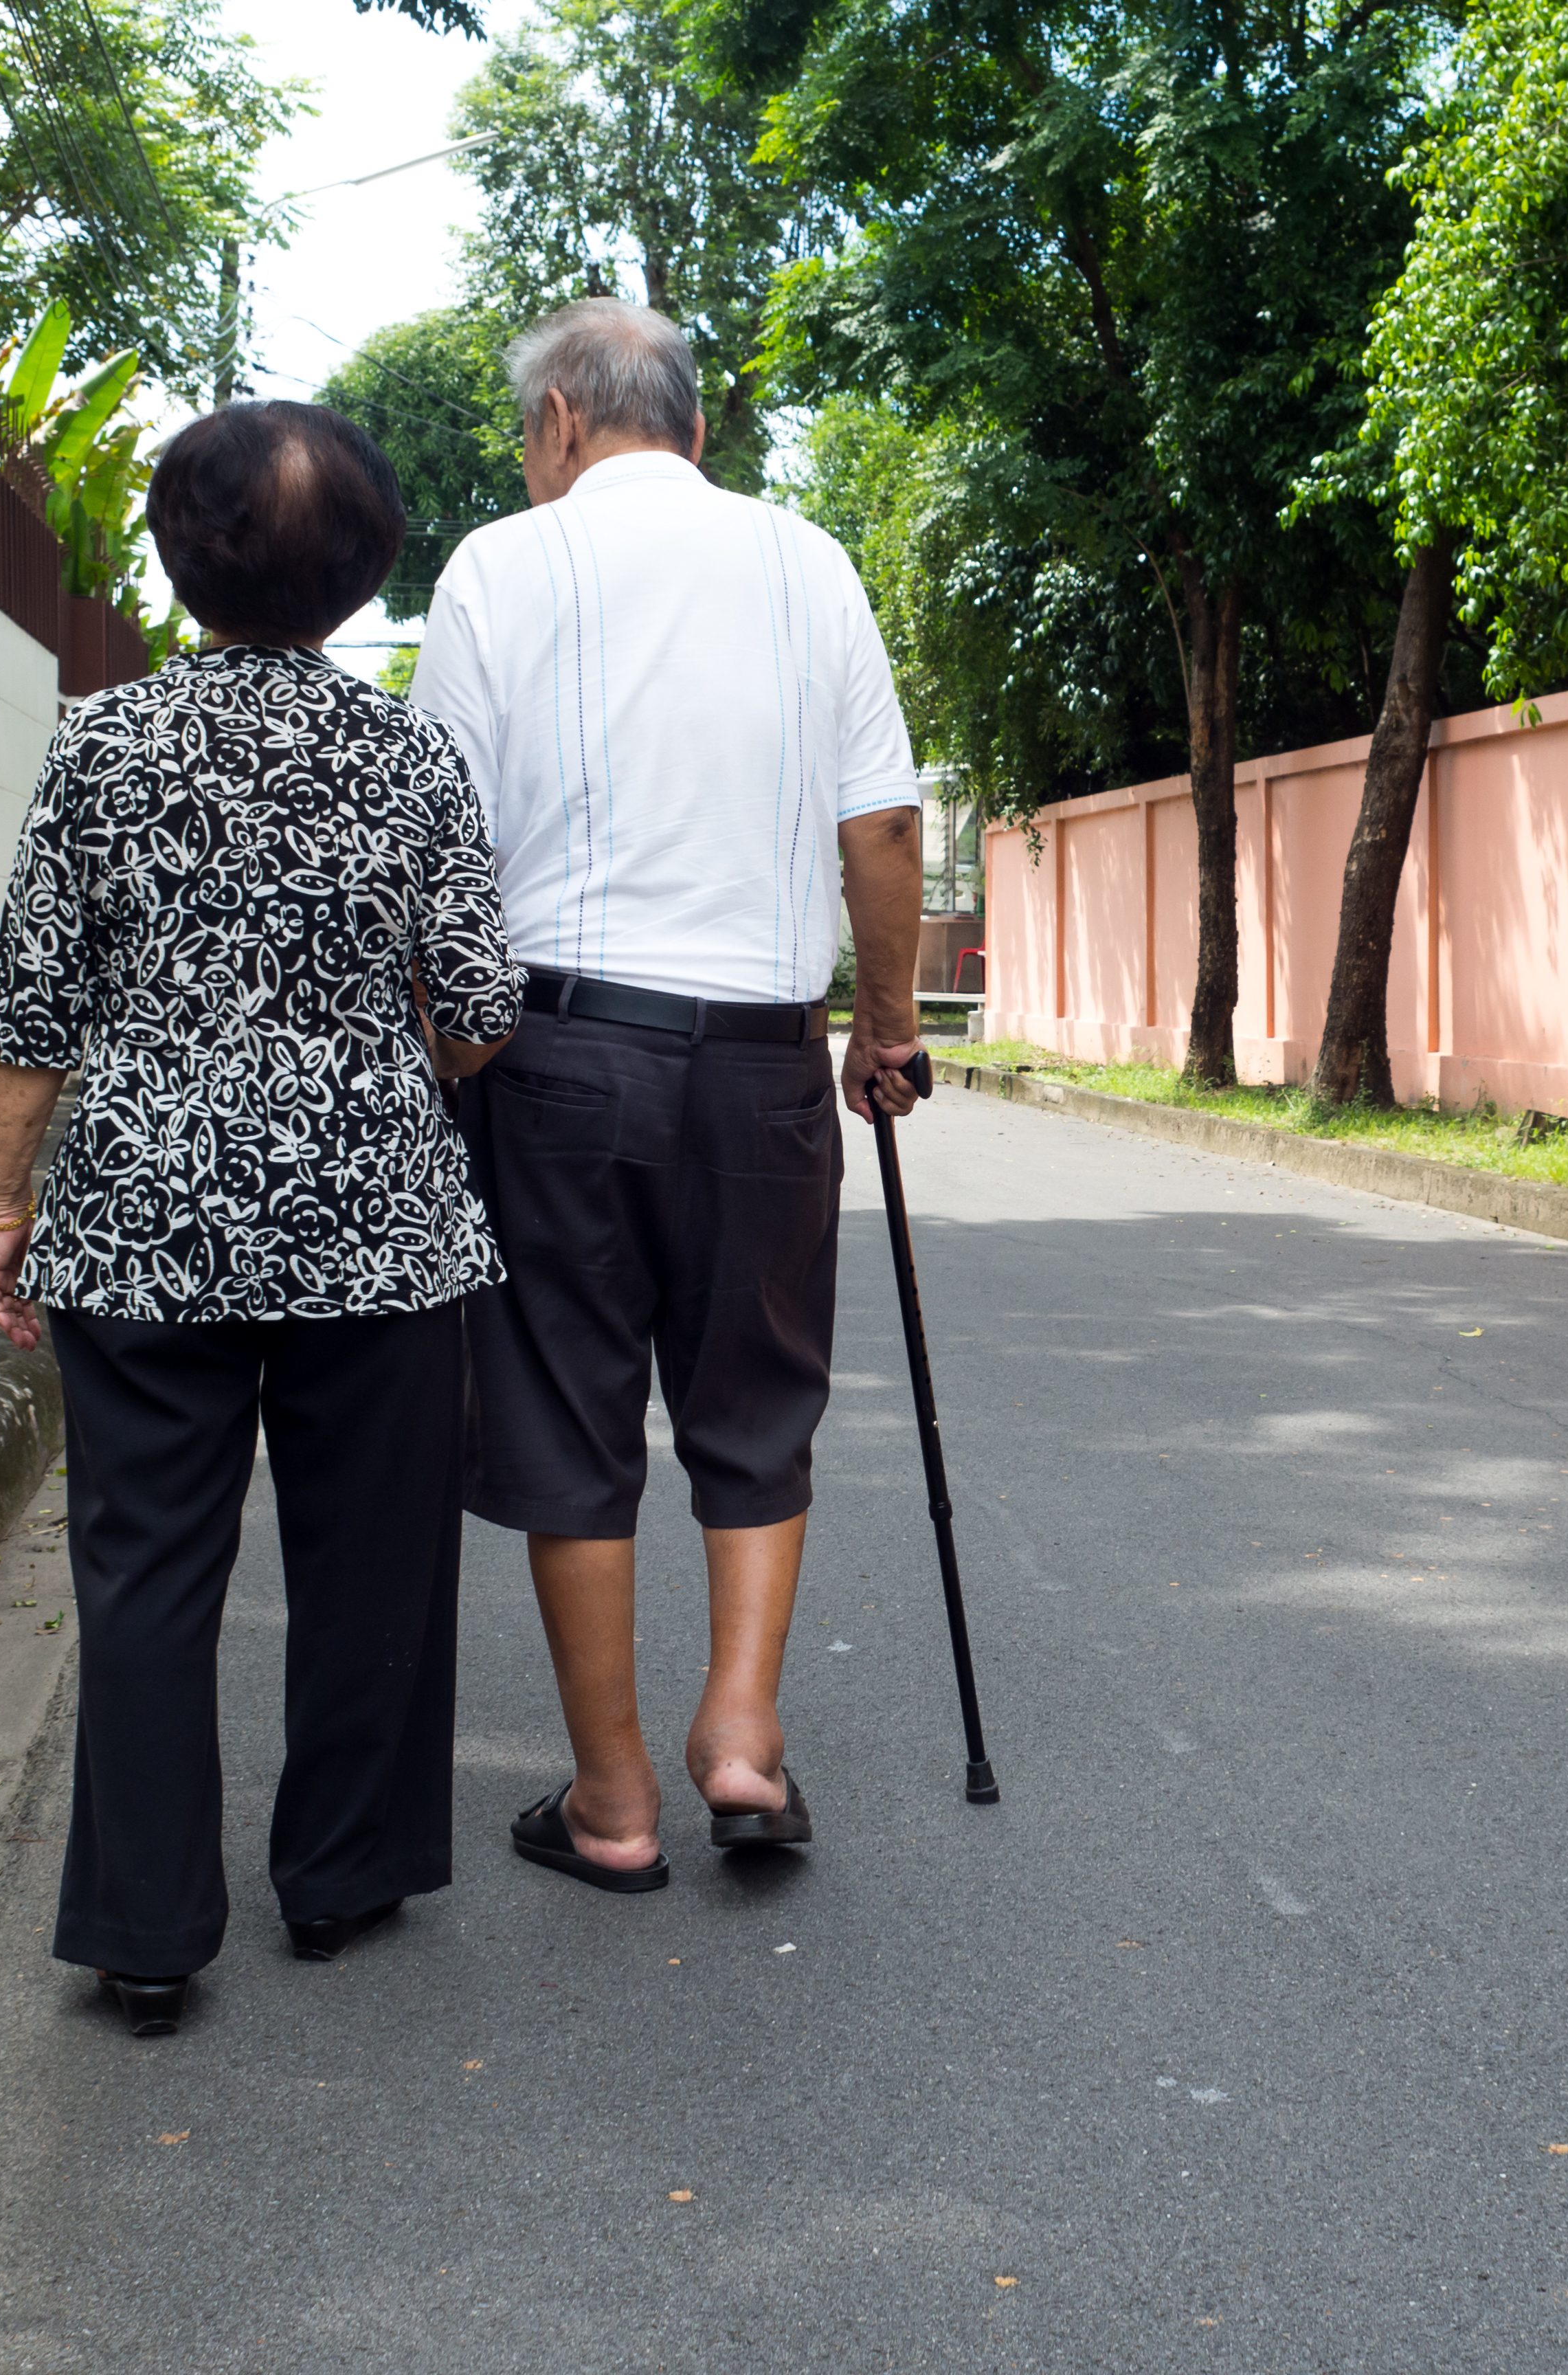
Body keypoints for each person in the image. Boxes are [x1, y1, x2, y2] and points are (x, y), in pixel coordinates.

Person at [0, 401, 524, 2036]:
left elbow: (35, 1006)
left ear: (178, 554)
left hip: (142, 1219)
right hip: (383, 1229)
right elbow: (484, 1004)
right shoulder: (411, 752)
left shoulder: (102, 742)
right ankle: (341, 1880)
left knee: (143, 1573)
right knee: (373, 1566)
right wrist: (362, 1071)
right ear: (364, 574)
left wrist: (6, 1200)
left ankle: (146, 1932)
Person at [411, 298, 923, 1891]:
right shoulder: (809, 560)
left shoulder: (502, 563)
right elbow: (884, 827)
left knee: (569, 1414)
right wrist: (882, 1030)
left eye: (524, 433)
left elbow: (443, 846)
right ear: (690, 430)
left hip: (558, 1053)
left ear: (560, 421)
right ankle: (746, 1736)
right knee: (758, 1400)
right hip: (765, 1058)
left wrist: (455, 1056)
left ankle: (616, 1801)